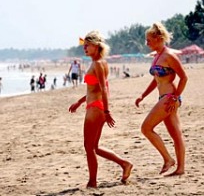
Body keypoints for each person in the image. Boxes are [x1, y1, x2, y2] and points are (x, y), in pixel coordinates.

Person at [69, 30, 133, 188]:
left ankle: (92, 182)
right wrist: (79, 102)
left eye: (88, 45)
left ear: (97, 46)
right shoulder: (100, 62)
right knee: (94, 147)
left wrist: (107, 112)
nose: (85, 48)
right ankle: (124, 164)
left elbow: (104, 89)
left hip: (96, 109)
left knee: (88, 147)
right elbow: (94, 89)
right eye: (84, 46)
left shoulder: (98, 64)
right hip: (96, 106)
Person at [135, 22, 188, 176]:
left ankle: (168, 159)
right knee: (176, 134)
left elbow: (184, 77)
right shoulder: (157, 56)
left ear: (158, 38)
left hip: (169, 97)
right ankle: (180, 169)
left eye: (149, 40)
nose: (147, 43)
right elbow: (156, 79)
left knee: (146, 128)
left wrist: (176, 97)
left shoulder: (169, 55)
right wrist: (143, 95)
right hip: (163, 96)